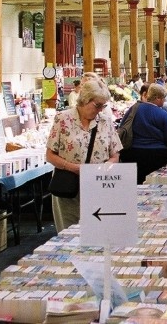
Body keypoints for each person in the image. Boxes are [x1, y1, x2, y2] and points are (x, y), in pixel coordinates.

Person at [46, 76, 122, 231]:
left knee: (97, 233)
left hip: (98, 187)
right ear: (85, 100)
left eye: (103, 105)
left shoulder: (105, 121)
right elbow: (50, 155)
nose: (100, 109)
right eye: (98, 105)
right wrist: (72, 167)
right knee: (68, 234)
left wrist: (108, 165)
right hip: (69, 189)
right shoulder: (62, 119)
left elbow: (115, 154)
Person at [120, 83, 167, 184]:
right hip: (157, 155)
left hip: (132, 154)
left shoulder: (133, 109)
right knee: (154, 182)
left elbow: (122, 126)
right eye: (163, 98)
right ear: (157, 98)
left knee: (136, 183)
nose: (165, 101)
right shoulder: (162, 114)